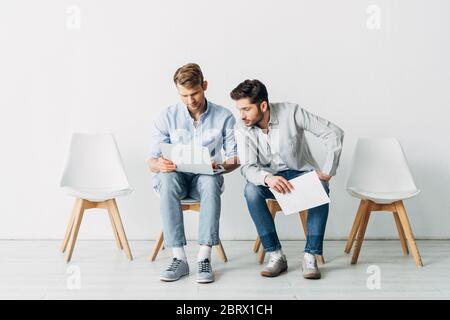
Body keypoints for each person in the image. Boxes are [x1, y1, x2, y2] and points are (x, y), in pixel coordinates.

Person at [230, 79, 344, 279]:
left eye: (246, 109)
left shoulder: (291, 112)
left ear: (263, 105)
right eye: (239, 109)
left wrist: (328, 170)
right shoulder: (241, 126)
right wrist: (267, 179)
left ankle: (311, 255)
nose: (242, 115)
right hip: (269, 178)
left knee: (321, 185)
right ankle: (275, 254)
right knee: (250, 191)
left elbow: (333, 132)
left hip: (299, 173)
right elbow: (247, 167)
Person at [148, 63, 239, 283]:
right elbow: (151, 160)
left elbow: (235, 157)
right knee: (166, 178)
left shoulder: (224, 116)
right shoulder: (166, 116)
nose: (191, 101)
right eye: (184, 95)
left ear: (204, 86)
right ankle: (179, 258)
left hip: (205, 179)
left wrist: (219, 167)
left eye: (195, 93)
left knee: (209, 180)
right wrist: (159, 165)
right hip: (175, 177)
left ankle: (204, 257)